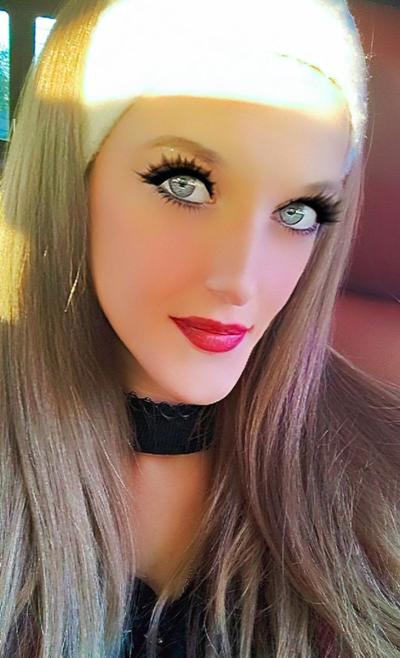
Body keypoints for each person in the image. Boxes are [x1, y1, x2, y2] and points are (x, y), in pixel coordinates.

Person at [0, 0, 399, 656]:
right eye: (185, 185)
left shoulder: (379, 480)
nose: (240, 279)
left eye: (298, 211)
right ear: (72, 181)